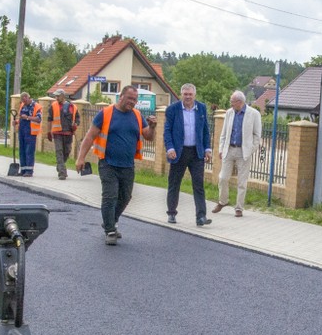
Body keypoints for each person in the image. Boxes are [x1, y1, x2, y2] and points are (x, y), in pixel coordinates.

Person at [75, 85, 156, 245]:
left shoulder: (137, 115)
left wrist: (152, 127)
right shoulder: (105, 114)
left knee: (125, 197)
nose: (132, 102)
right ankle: (110, 231)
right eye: (130, 98)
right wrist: (80, 158)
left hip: (127, 164)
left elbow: (148, 137)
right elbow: (90, 136)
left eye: (135, 99)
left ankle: (110, 221)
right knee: (110, 196)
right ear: (121, 97)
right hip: (108, 163)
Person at [163, 83, 212, 226]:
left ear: (194, 95)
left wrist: (207, 149)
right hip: (179, 152)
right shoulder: (173, 109)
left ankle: (201, 216)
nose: (188, 97)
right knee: (174, 183)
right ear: (181, 95)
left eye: (190, 94)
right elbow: (167, 130)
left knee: (198, 184)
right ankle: (171, 213)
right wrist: (170, 148)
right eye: (185, 94)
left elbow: (205, 131)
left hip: (196, 153)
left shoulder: (201, 108)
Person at [213, 90, 262, 218]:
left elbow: (257, 136)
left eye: (232, 102)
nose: (231, 104)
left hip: (243, 151)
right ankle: (223, 201)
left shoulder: (254, 114)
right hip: (229, 149)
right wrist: (221, 149)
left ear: (239, 102)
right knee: (223, 178)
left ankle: (239, 208)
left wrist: (251, 149)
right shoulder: (229, 113)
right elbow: (223, 134)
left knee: (242, 181)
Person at [50, 89, 79, 180]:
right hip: (57, 132)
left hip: (68, 133)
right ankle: (62, 173)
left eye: (58, 96)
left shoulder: (72, 107)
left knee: (67, 151)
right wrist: (48, 131)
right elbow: (49, 119)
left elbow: (77, 119)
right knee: (59, 151)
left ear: (63, 96)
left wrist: (76, 125)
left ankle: (60, 165)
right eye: (55, 96)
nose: (56, 98)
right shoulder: (53, 106)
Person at [17, 93, 40, 177]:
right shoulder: (22, 105)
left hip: (30, 132)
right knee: (22, 151)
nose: (24, 102)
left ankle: (29, 171)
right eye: (22, 101)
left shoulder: (36, 106)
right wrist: (16, 122)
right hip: (22, 131)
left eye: (24, 100)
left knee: (29, 151)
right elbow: (20, 117)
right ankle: (23, 170)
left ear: (27, 97)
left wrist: (27, 117)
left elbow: (38, 119)